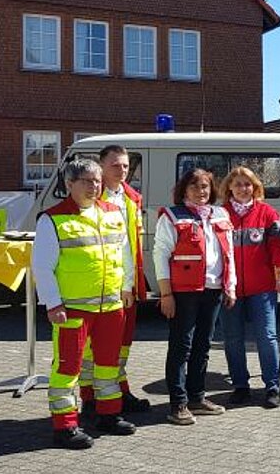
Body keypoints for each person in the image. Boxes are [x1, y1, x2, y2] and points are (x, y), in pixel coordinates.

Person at [32, 158, 136, 449]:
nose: (94, 187)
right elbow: (42, 267)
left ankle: (108, 414)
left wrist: (126, 287)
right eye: (87, 181)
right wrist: (53, 304)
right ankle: (64, 426)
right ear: (69, 184)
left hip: (111, 307)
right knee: (67, 368)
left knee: (108, 365)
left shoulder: (113, 212)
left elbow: (125, 254)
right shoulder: (51, 219)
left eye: (97, 181)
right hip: (73, 309)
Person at [155, 169, 235, 425]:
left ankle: (197, 398)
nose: (201, 191)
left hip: (212, 290)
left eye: (205, 186)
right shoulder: (171, 216)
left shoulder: (220, 214)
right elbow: (160, 255)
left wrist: (230, 286)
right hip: (183, 292)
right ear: (184, 189)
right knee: (181, 348)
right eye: (194, 186)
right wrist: (166, 293)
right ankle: (178, 404)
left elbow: (228, 253)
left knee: (203, 346)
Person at [78, 145, 150, 419]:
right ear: (101, 166)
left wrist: (130, 285)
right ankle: (89, 397)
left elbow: (130, 248)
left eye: (125, 166)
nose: (121, 171)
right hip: (96, 284)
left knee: (121, 344)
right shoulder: (88, 198)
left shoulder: (132, 198)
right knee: (89, 347)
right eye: (115, 166)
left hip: (124, 283)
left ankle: (119, 389)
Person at [219, 166, 280, 409]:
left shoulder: (267, 213)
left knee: (267, 337)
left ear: (255, 187)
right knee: (233, 338)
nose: (243, 189)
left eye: (247, 184)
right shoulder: (220, 214)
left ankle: (272, 386)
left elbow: (279, 248)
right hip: (230, 289)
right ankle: (240, 386)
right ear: (229, 187)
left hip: (263, 287)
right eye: (237, 184)